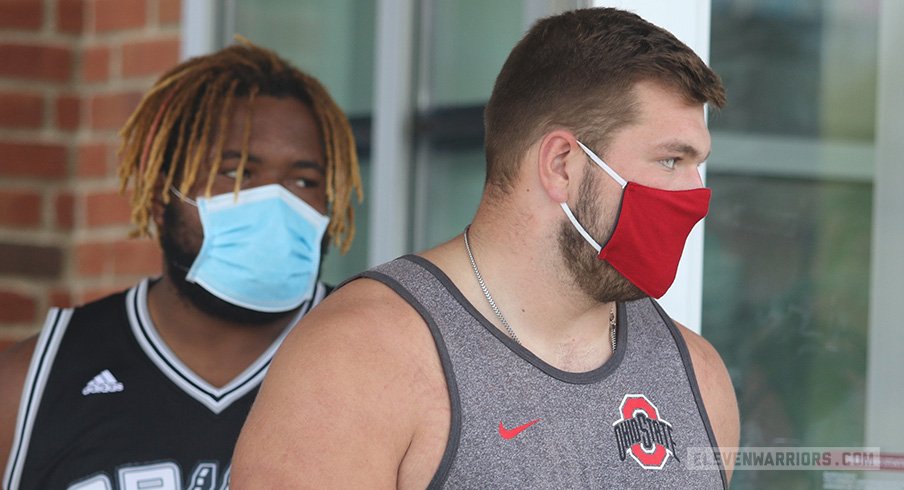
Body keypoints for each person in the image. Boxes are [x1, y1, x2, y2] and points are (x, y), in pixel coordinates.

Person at [233, 7, 739, 489]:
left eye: (698, 165)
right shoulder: (360, 359)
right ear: (561, 163)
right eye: (671, 161)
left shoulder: (698, 376)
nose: (695, 196)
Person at [0, 40, 362, 489]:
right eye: (236, 172)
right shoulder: (36, 377)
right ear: (159, 200)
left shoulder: (376, 355)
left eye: (304, 180)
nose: (276, 201)